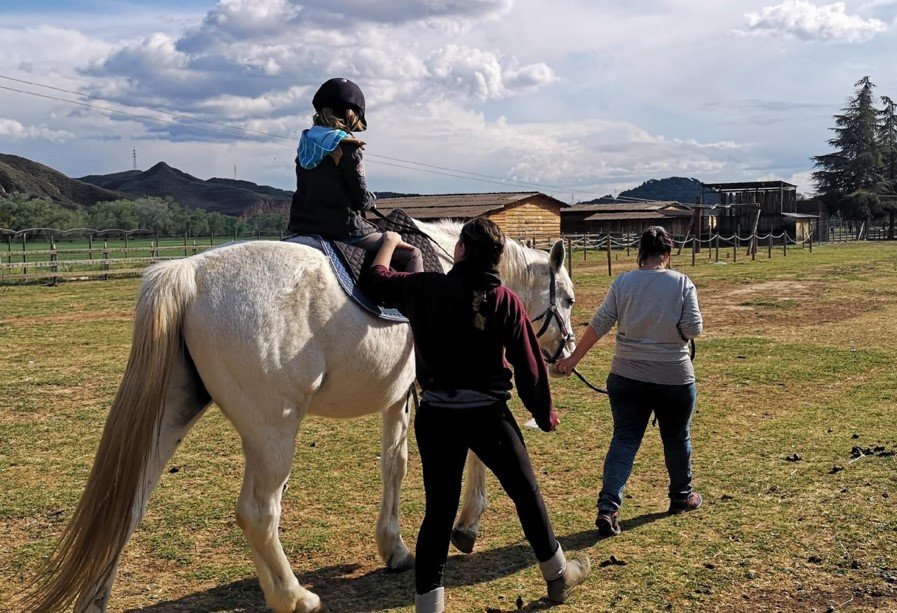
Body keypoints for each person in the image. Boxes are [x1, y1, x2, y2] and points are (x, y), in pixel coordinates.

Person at [362, 218, 590, 613]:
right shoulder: (505, 301)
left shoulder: (425, 288)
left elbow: (378, 280)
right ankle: (558, 575)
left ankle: (429, 607)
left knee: (438, 514)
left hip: (436, 418)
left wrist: (390, 242)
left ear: (461, 250)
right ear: (499, 260)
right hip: (489, 417)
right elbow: (530, 369)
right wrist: (544, 413)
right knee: (526, 494)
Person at [555, 226, 703, 537]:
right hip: (673, 376)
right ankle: (681, 496)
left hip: (627, 375)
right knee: (676, 438)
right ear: (667, 254)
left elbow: (600, 323)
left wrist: (572, 360)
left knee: (624, 440)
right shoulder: (682, 283)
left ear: (641, 254)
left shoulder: (623, 282)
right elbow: (693, 328)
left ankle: (608, 507)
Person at [287, 77, 423, 273]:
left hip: (303, 226)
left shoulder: (305, 144)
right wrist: (372, 201)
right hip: (344, 231)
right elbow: (360, 199)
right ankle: (419, 303)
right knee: (412, 253)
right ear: (350, 113)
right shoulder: (347, 147)